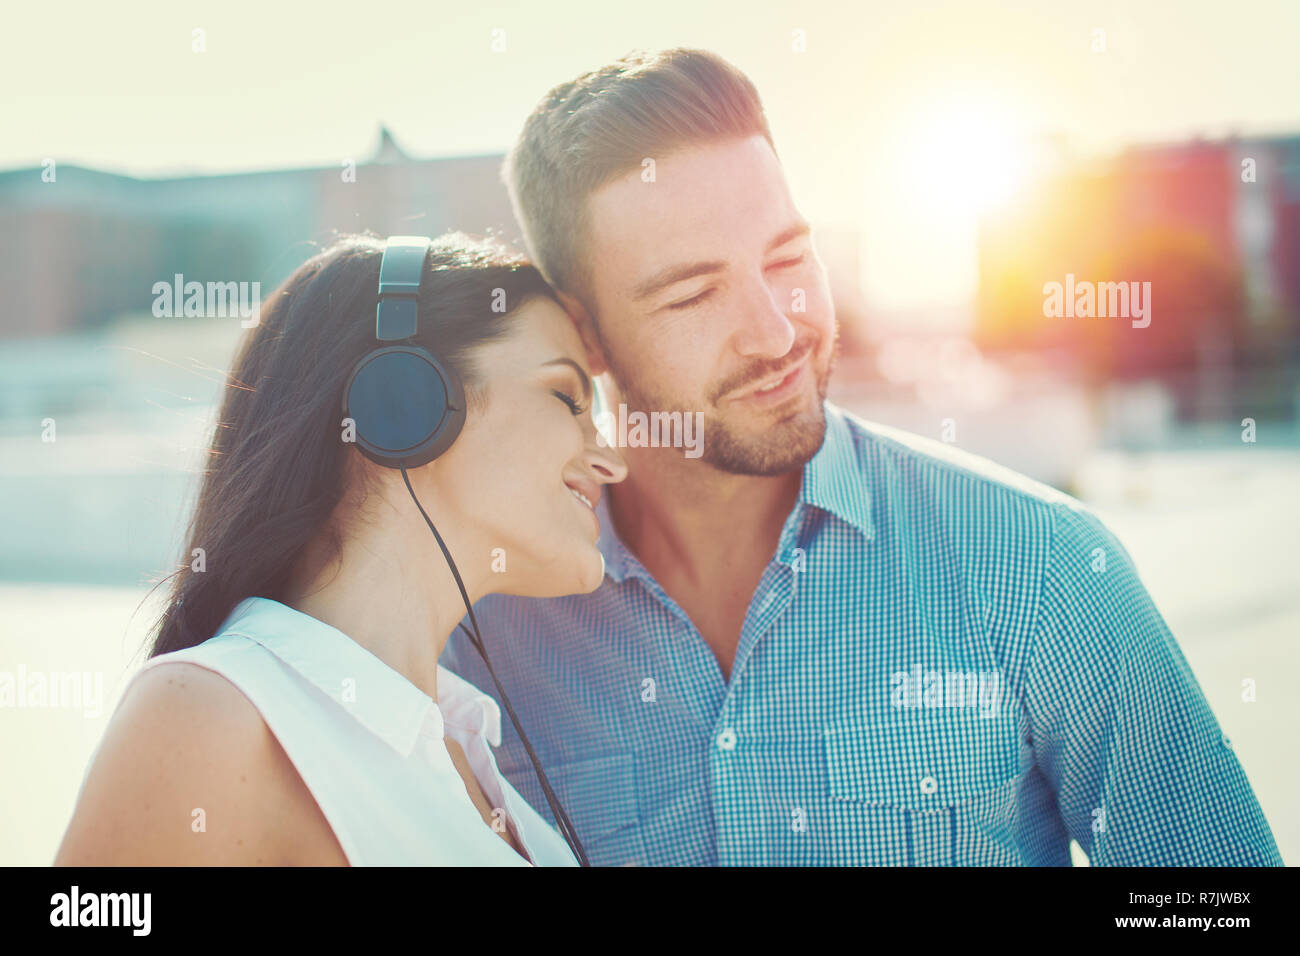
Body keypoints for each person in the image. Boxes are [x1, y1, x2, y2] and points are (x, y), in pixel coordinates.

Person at [442, 48, 1284, 866]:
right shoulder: (482, 630)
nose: (778, 332)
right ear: (583, 335)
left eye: (787, 257)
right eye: (694, 294)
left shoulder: (1043, 567)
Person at [54, 233, 626, 866]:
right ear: (403, 402)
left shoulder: (465, 750)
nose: (611, 461)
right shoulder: (215, 719)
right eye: (568, 398)